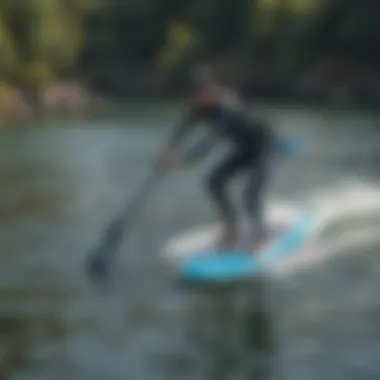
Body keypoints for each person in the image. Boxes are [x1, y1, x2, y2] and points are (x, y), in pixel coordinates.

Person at [157, 67, 276, 251]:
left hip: (263, 146)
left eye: (203, 92)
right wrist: (168, 150)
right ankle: (232, 227)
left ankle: (260, 234)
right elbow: (181, 128)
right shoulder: (198, 107)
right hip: (244, 149)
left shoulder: (227, 107)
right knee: (213, 182)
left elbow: (211, 141)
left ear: (212, 89)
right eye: (195, 94)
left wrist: (183, 161)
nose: (198, 98)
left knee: (250, 195)